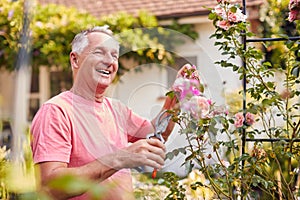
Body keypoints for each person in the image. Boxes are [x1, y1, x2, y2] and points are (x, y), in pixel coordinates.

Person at [30, 25, 195, 200]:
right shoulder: (57, 111)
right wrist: (121, 158)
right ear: (75, 60)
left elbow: (156, 134)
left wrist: (176, 98)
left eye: (114, 55)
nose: (110, 61)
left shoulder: (117, 110)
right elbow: (49, 188)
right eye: (99, 52)